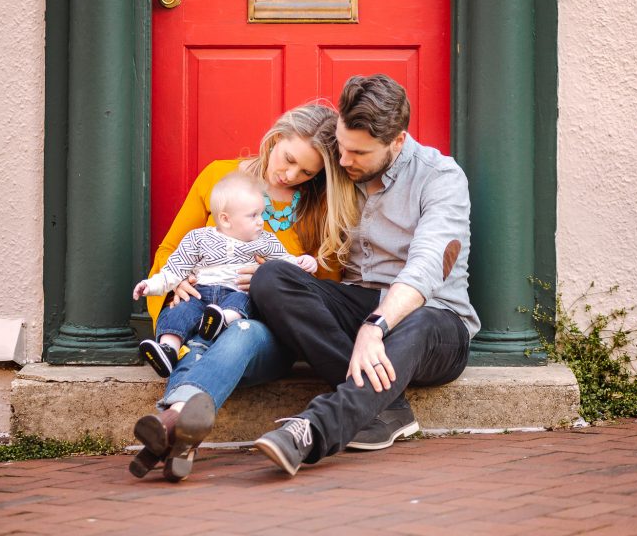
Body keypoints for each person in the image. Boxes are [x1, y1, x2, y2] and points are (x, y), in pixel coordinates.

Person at [250, 74, 481, 476]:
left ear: (398, 141)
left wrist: (376, 326)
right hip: (358, 302)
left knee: (421, 320)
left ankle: (312, 430)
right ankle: (387, 407)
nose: (342, 162)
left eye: (358, 153)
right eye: (341, 146)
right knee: (272, 278)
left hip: (434, 324)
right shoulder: (338, 169)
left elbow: (428, 266)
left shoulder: (440, 178)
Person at [130, 102, 356, 482]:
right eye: (288, 159)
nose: (290, 175)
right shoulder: (219, 178)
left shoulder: (317, 208)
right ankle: (180, 434)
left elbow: (325, 291)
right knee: (201, 341)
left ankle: (169, 419)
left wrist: (276, 279)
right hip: (199, 314)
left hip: (266, 336)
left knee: (240, 330)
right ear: (276, 136)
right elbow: (172, 250)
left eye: (306, 172)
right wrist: (178, 279)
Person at [134, 171, 317, 376]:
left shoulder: (265, 240)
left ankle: (223, 320)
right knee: (179, 310)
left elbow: (286, 263)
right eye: (253, 215)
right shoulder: (199, 239)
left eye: (262, 214)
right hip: (199, 293)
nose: (260, 221)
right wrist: (151, 286)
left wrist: (304, 262)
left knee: (245, 301)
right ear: (226, 219)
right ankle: (168, 350)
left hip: (236, 291)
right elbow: (175, 269)